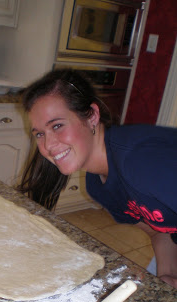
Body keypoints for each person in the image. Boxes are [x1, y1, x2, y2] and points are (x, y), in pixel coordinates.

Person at [18, 68, 177, 289]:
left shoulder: (140, 160)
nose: (48, 145)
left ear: (92, 116)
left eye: (57, 126)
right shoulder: (98, 185)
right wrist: (168, 276)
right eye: (39, 134)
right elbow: (161, 230)